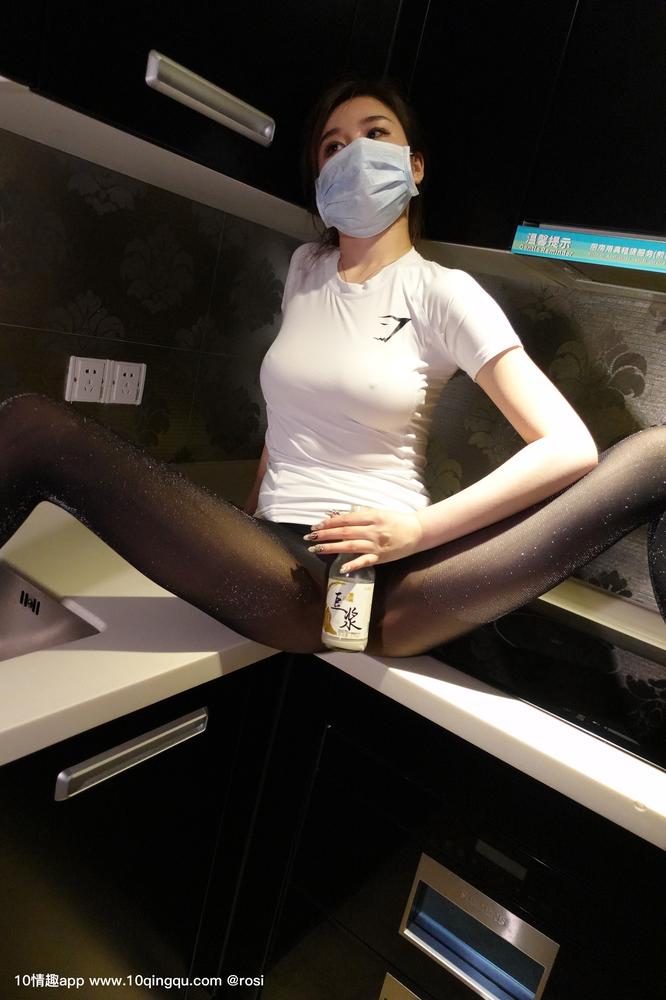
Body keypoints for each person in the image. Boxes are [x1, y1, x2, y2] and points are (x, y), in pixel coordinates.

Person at [0, 76, 665, 659]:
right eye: (333, 146)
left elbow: (568, 447)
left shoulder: (443, 292)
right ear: (320, 177)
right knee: (34, 426)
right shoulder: (305, 269)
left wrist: (418, 531)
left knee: (657, 457)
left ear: (415, 165)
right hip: (283, 558)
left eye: (375, 134)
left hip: (395, 572)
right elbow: (288, 417)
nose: (354, 154)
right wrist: (242, 520)